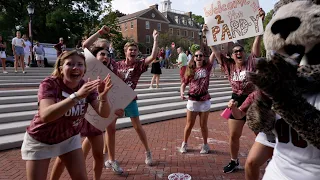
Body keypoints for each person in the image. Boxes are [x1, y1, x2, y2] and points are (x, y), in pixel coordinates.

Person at [21, 50, 113, 180]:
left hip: (69, 137)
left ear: (84, 69)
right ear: (61, 68)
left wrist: (103, 98)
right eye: (70, 64)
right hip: (41, 138)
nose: (75, 67)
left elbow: (104, 113)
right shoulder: (50, 84)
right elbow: (46, 115)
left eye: (80, 64)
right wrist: (76, 96)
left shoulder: (85, 86)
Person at [203, 8, 265, 173]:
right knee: (233, 135)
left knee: (261, 133)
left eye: (241, 51)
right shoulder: (228, 66)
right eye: (235, 51)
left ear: (245, 53)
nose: (238, 53)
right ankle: (234, 161)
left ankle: (272, 158)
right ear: (231, 55)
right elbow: (215, 50)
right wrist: (207, 34)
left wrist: (259, 25)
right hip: (235, 100)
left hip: (252, 100)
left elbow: (256, 46)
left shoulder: (251, 61)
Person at [50, 46, 124, 180]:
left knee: (98, 155)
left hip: (96, 116)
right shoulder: (84, 70)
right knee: (63, 158)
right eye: (102, 54)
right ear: (93, 57)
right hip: (78, 117)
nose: (106, 57)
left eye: (108, 55)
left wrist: (116, 109)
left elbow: (111, 98)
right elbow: (85, 46)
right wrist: (100, 33)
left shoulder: (112, 74)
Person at [103, 29, 159, 174]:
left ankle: (148, 152)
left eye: (135, 50)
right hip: (115, 100)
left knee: (137, 126)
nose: (133, 52)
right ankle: (111, 158)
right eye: (130, 50)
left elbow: (153, 56)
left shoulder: (139, 65)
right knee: (110, 129)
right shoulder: (116, 64)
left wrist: (155, 39)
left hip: (129, 99)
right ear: (125, 51)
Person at [228, 91, 274, 180]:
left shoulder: (292, 91)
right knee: (251, 163)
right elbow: (239, 114)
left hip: (287, 135)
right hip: (267, 133)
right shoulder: (256, 95)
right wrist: (233, 108)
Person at [179, 47, 216, 154]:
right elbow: (183, 84)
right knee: (189, 124)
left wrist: (209, 37)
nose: (199, 57)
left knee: (203, 125)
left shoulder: (207, 67)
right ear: (194, 58)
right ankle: (184, 143)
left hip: (204, 100)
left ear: (204, 58)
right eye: (196, 56)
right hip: (192, 100)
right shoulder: (190, 69)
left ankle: (205, 145)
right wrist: (182, 92)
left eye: (201, 55)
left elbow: (214, 52)